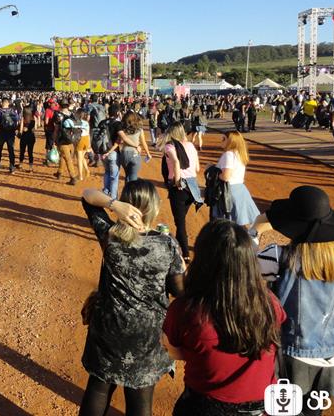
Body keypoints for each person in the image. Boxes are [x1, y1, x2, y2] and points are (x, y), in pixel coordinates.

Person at [252, 186, 334, 416]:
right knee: (313, 411)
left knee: (282, 411)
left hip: (291, 357)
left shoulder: (279, 256)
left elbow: (243, 264)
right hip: (332, 358)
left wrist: (255, 229)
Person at [79, 182, 185, 416]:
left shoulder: (110, 236)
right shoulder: (167, 244)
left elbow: (87, 196)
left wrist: (114, 204)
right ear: (154, 208)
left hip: (108, 330)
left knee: (98, 389)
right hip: (147, 337)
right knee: (140, 401)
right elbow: (179, 291)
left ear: (127, 205)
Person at [162, 219, 285, 416]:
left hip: (206, 406)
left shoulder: (186, 309)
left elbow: (173, 351)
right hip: (262, 408)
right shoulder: (270, 302)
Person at [162, 122, 202, 262]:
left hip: (179, 188)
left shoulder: (170, 146)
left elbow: (176, 162)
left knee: (180, 223)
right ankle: (180, 246)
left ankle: (185, 254)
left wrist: (178, 181)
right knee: (181, 220)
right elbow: (197, 168)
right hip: (193, 188)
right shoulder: (191, 145)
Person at [210, 131, 260, 226]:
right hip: (240, 190)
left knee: (227, 225)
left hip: (229, 192)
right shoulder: (239, 153)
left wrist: (212, 171)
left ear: (230, 141)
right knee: (239, 223)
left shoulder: (228, 154)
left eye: (224, 139)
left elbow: (226, 176)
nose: (221, 140)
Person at [118, 112, 151, 184]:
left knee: (127, 176)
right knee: (133, 177)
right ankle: (131, 190)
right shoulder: (139, 129)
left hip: (124, 154)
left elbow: (120, 141)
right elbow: (143, 142)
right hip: (134, 154)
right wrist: (148, 153)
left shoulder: (122, 129)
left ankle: (126, 190)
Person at [99, 105, 124, 199]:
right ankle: (113, 198)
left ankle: (106, 193)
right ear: (117, 113)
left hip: (102, 151)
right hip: (113, 152)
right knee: (114, 177)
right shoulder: (118, 124)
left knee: (107, 172)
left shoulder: (102, 123)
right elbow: (121, 139)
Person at [0, 97, 19, 174]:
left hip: (1, 134)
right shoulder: (13, 112)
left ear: (2, 103)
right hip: (11, 134)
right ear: (8, 103)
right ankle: (12, 167)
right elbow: (17, 122)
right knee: (11, 151)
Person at [53, 101, 79, 185]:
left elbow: (56, 129)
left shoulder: (58, 115)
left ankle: (73, 177)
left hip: (62, 139)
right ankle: (59, 172)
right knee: (63, 155)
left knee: (67, 158)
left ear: (60, 106)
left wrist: (54, 140)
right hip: (71, 139)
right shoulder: (72, 114)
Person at [17, 107, 37, 172]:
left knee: (22, 151)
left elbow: (21, 129)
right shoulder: (34, 118)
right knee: (30, 152)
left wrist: (19, 133)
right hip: (31, 137)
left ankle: (20, 164)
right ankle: (30, 167)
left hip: (24, 137)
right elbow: (36, 127)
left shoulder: (23, 119)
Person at [75, 109, 92, 182]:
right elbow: (88, 133)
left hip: (80, 139)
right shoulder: (86, 123)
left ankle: (80, 175)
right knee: (82, 157)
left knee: (79, 158)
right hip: (86, 139)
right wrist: (89, 144)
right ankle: (87, 170)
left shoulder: (76, 122)